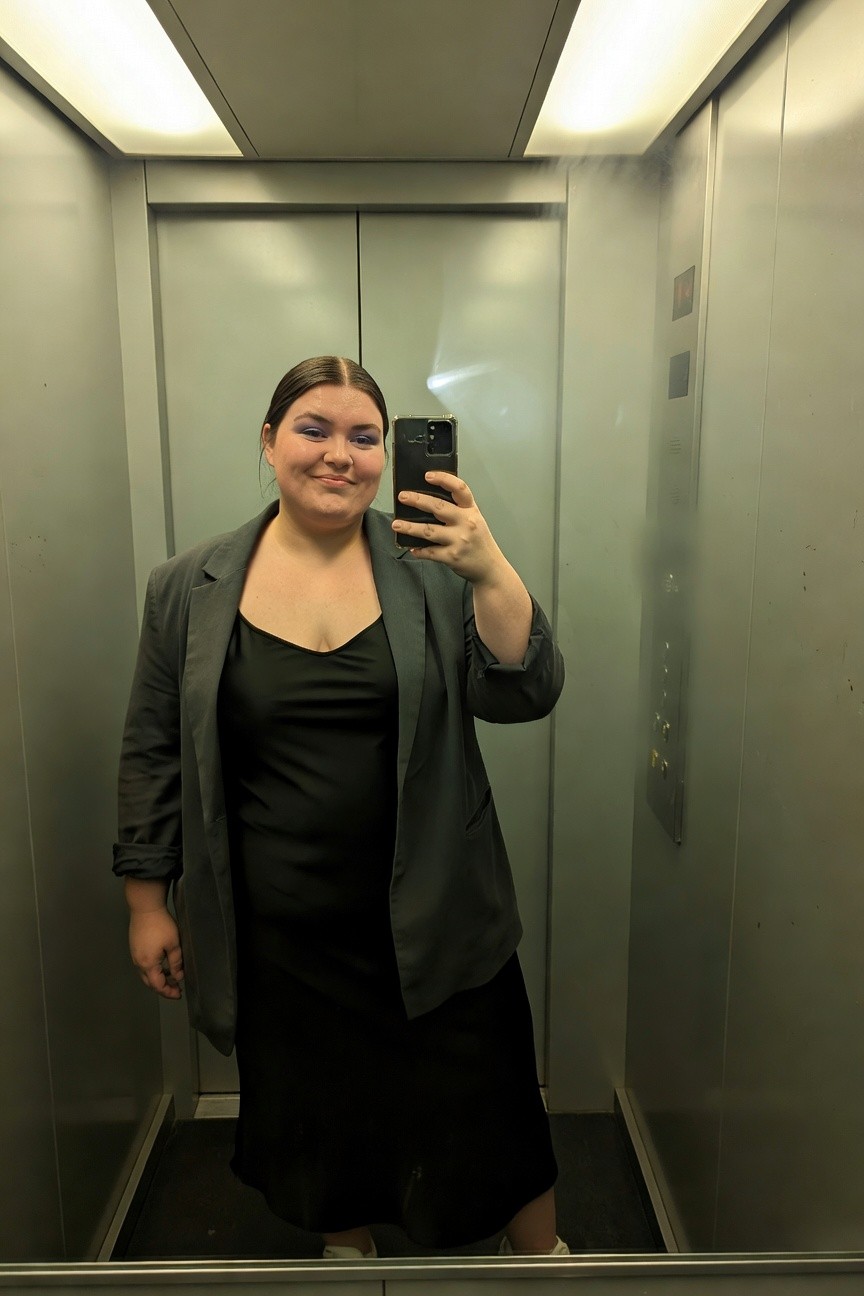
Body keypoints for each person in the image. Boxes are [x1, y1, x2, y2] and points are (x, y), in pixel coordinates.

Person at [113, 356, 567, 1258]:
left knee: (491, 1108)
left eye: (365, 437)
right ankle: (348, 1257)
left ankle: (548, 1262)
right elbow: (152, 747)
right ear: (270, 440)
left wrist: (491, 569)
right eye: (314, 429)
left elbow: (523, 695)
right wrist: (146, 901)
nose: (340, 455)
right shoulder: (188, 588)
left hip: (440, 911)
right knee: (322, 1121)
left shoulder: (434, 568)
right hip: (285, 933)